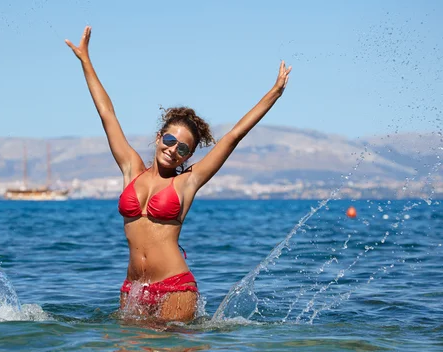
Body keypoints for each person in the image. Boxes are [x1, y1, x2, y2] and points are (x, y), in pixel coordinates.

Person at [66, 26, 291, 323]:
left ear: (188, 156)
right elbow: (107, 113)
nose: (173, 150)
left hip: (175, 288)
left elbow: (233, 136)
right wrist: (85, 61)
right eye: (170, 141)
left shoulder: (187, 182)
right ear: (159, 137)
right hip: (133, 289)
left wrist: (274, 92)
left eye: (183, 148)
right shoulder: (131, 168)